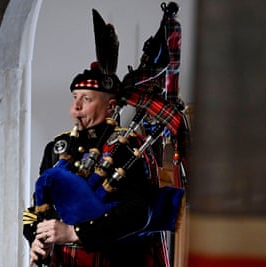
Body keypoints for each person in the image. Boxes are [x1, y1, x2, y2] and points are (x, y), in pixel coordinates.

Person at [29, 63, 170, 267]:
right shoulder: (58, 148)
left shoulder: (128, 148)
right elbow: (38, 209)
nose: (76, 106)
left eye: (86, 99)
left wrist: (74, 232)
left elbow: (138, 213)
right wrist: (38, 238)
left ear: (111, 107)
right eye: (75, 97)